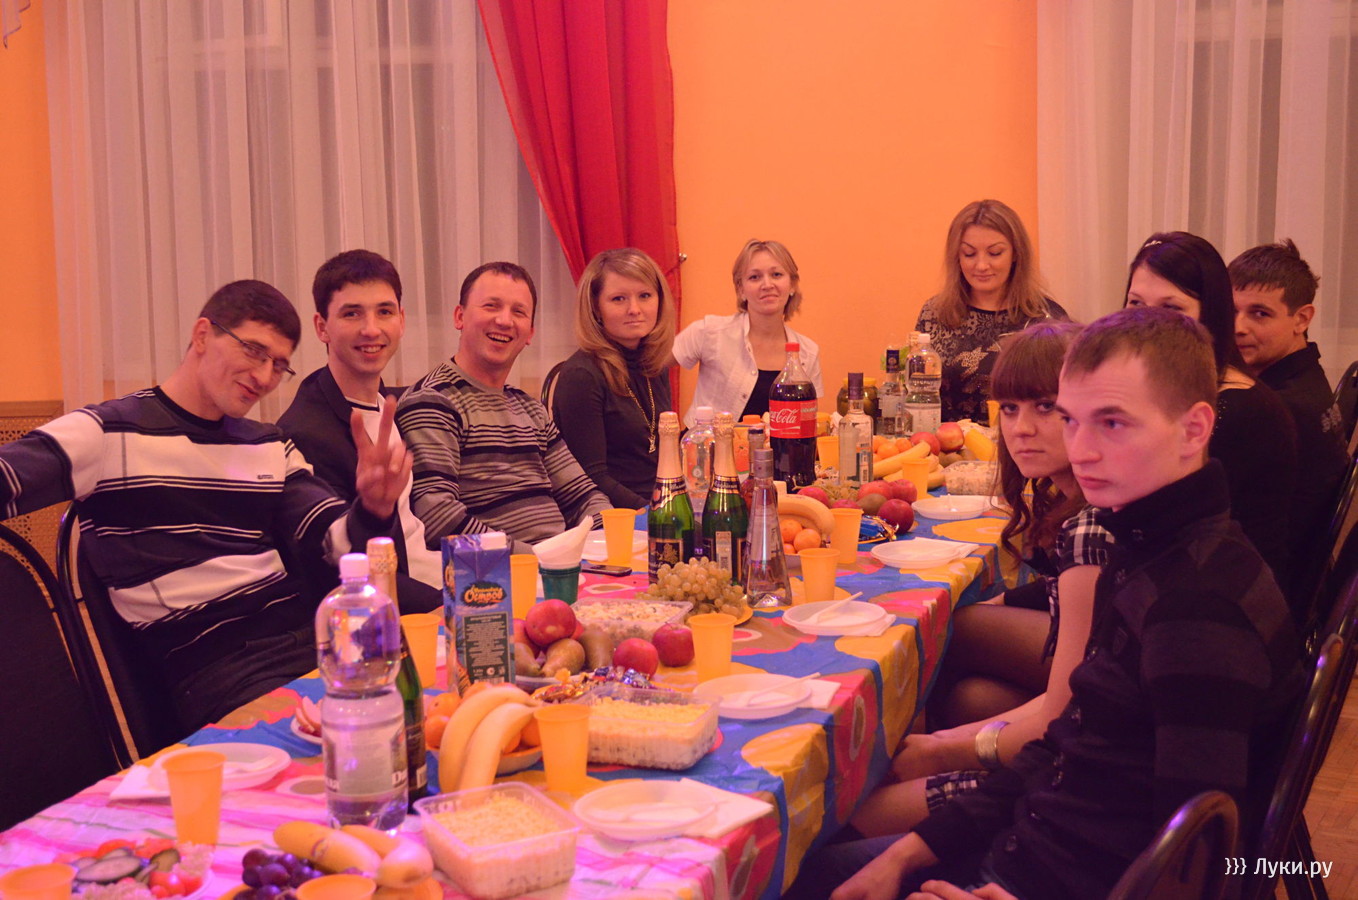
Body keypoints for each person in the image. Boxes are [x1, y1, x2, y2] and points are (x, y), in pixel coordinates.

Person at [797, 307, 1303, 900]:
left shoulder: (1199, 608)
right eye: (1072, 420)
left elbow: (1197, 866)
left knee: (799, 878)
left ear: (1194, 430)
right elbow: (1066, 746)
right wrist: (912, 851)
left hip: (1051, 877)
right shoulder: (1144, 549)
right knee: (816, 869)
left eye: (1111, 423)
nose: (1081, 450)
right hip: (1035, 842)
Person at [0, 280, 409, 733]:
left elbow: (334, 542)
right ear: (201, 335)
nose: (264, 377)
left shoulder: (269, 445)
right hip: (221, 674)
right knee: (366, 745)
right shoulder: (108, 434)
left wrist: (373, 506)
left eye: (278, 366)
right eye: (253, 351)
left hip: (314, 645)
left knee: (419, 713)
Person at [853, 322, 1110, 838]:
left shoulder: (1092, 528)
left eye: (1045, 406)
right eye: (1009, 409)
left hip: (1084, 773)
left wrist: (939, 750)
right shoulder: (1077, 506)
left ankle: (940, 824)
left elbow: (1067, 712)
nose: (1021, 428)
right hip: (1084, 737)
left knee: (853, 823)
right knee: (970, 696)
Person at [1124, 231, 1299, 596]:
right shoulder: (1175, 385)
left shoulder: (1237, 410)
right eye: (1136, 304)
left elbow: (1157, 529)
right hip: (1172, 575)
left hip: (1221, 600)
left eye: (1171, 309)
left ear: (1210, 315)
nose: (1146, 324)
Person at [395, 262, 610, 552]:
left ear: (530, 332)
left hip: (562, 562)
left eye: (518, 312)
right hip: (497, 571)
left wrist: (606, 541)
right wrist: (532, 557)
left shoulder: (531, 410)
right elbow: (437, 517)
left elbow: (584, 496)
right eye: (491, 306)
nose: (504, 320)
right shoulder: (433, 401)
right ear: (459, 316)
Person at [277, 249, 441, 605]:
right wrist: (447, 604)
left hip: (436, 573)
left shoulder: (390, 405)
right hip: (398, 604)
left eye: (384, 312)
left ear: (402, 321)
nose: (371, 329)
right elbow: (344, 572)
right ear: (322, 327)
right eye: (352, 313)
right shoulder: (306, 433)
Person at [1230, 239, 1348, 603]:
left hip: (1263, 594)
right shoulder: (1306, 381)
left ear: (1302, 318)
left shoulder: (1278, 408)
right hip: (1290, 576)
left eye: (1259, 314)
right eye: (1231, 311)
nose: (1238, 327)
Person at [915, 200, 1069, 423]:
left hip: (1020, 440)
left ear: (1015, 253)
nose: (981, 265)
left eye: (995, 253)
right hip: (944, 442)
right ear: (957, 257)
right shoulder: (935, 313)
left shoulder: (1046, 319)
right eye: (969, 254)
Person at [545, 248, 676, 508]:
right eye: (618, 299)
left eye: (645, 296)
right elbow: (590, 477)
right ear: (596, 308)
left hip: (657, 504)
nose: (634, 309)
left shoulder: (655, 364)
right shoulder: (581, 376)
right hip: (613, 516)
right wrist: (653, 514)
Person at [670, 239, 823, 428]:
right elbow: (651, 364)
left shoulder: (808, 352)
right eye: (754, 277)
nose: (767, 284)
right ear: (741, 289)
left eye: (776, 274)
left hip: (776, 448)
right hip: (704, 445)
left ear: (792, 285)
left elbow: (806, 425)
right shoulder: (710, 332)